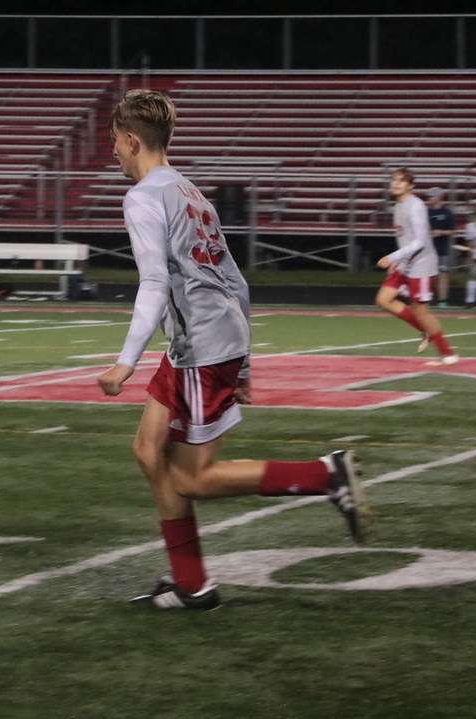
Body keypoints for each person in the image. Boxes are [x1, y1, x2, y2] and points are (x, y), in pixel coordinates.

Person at [96, 89, 371, 612]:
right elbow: (235, 280)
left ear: (132, 141)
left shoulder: (143, 197)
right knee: (147, 451)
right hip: (199, 344)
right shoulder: (192, 191)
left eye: (114, 141)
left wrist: (124, 362)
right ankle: (191, 583)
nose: (112, 151)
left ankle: (324, 475)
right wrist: (244, 361)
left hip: (200, 346)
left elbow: (154, 282)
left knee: (191, 478)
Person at [375, 168, 459, 366]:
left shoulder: (416, 206)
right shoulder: (398, 206)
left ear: (411, 185)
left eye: (401, 181)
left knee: (421, 312)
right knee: (383, 300)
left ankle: (447, 353)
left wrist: (393, 257)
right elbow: (406, 239)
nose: (396, 183)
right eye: (394, 180)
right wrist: (398, 261)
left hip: (422, 264)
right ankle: (426, 331)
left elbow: (420, 241)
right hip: (407, 262)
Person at [426, 187, 455, 308]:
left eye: (432, 196)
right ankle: (426, 298)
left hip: (442, 249)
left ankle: (442, 300)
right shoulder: (426, 212)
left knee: (443, 274)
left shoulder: (447, 213)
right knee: (426, 275)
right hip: (427, 250)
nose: (430, 198)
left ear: (439, 197)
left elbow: (452, 231)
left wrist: (440, 232)